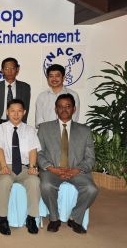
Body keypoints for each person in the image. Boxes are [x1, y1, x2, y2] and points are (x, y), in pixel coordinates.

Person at [38, 94, 98, 234]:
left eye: (68, 106)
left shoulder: (85, 130)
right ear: (55, 109)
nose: (64, 109)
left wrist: (77, 170)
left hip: (76, 171)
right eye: (60, 107)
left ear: (74, 109)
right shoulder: (44, 128)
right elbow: (39, 153)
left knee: (91, 189)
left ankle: (75, 218)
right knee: (46, 185)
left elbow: (90, 158)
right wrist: (51, 168)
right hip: (52, 170)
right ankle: (54, 219)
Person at [0, 99, 41, 235]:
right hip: (6, 165)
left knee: (34, 181)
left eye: (19, 111)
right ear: (7, 112)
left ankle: (31, 218)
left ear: (24, 112)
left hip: (24, 167)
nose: (16, 114)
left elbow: (33, 150)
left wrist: (32, 166)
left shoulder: (30, 130)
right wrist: (3, 166)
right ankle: (3, 219)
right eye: (12, 111)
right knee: (4, 181)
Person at [0, 57, 30, 131]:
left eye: (12, 68)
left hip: (18, 125)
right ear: (2, 70)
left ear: (17, 70)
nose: (9, 71)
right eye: (6, 68)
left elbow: (25, 108)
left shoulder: (25, 88)